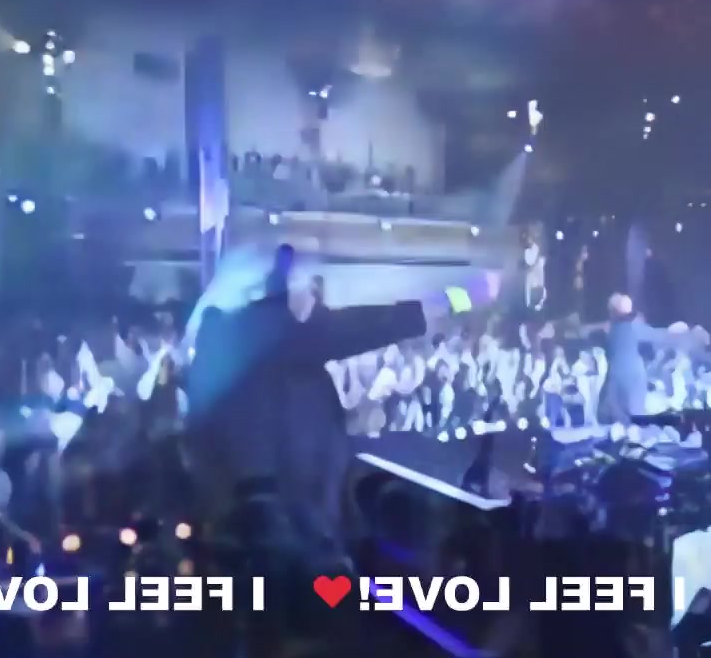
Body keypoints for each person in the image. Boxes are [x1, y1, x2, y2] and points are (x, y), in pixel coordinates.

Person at [185, 242, 500, 565]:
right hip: (285, 535)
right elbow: (369, 325)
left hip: (261, 532)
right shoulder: (266, 337)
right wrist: (462, 296)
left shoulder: (233, 352)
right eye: (305, 288)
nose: (315, 304)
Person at [571, 293, 705, 424]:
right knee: (629, 414)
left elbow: (590, 332)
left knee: (620, 414)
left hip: (619, 377)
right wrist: (685, 335)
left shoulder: (613, 328)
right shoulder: (628, 328)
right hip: (630, 377)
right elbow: (658, 335)